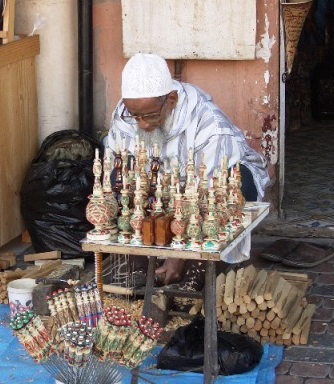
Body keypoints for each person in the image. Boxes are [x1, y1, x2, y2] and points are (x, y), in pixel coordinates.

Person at [104, 53, 271, 291]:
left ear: (171, 100)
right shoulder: (125, 116)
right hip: (164, 188)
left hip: (205, 188)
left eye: (150, 115)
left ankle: (199, 267)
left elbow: (209, 192)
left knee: (233, 186)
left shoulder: (210, 125)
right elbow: (115, 166)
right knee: (119, 178)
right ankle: (139, 262)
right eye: (135, 115)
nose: (141, 124)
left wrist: (179, 257)